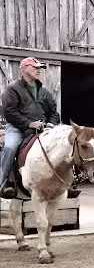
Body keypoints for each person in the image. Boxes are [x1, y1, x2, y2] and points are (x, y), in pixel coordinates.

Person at [0, 57, 62, 199]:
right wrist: (28, 123)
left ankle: (66, 185)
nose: (38, 69)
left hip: (43, 129)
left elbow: (53, 112)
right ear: (23, 69)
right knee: (9, 148)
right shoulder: (13, 89)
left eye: (39, 67)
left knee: (63, 146)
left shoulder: (45, 91)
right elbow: (10, 112)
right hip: (18, 129)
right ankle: (4, 184)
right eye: (35, 67)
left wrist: (50, 125)